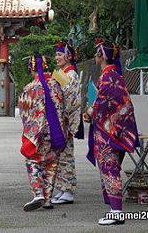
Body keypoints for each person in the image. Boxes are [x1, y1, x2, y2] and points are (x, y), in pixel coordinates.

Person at [83, 39, 139, 225]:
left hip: (108, 131)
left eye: (96, 53)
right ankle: (114, 209)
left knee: (110, 169)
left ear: (102, 56)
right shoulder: (116, 75)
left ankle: (117, 211)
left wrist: (90, 112)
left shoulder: (108, 77)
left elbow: (102, 103)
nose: (94, 57)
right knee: (110, 168)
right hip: (115, 128)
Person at [19, 54, 67, 211]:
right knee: (51, 164)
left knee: (33, 161)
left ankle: (38, 193)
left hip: (39, 134)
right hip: (57, 133)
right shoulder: (56, 85)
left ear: (31, 69)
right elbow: (63, 108)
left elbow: (25, 114)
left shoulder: (29, 88)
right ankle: (47, 199)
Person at [51, 41, 82, 205]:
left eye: (60, 54)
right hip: (60, 120)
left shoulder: (71, 74)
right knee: (60, 156)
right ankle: (62, 188)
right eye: (56, 54)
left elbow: (71, 100)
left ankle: (68, 190)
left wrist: (65, 120)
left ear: (68, 56)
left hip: (65, 120)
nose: (57, 58)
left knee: (66, 155)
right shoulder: (62, 73)